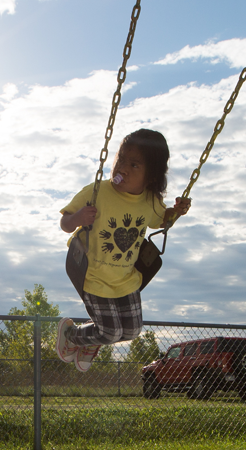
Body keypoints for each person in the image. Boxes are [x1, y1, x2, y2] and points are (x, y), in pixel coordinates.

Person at [55, 129, 190, 371]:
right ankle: (72, 335)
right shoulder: (96, 192)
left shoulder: (150, 201)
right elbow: (65, 223)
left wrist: (176, 212)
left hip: (126, 279)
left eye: (134, 164)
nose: (122, 168)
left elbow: (162, 221)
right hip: (93, 275)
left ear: (150, 177)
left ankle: (89, 341)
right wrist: (77, 217)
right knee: (109, 332)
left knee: (132, 330)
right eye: (121, 160)